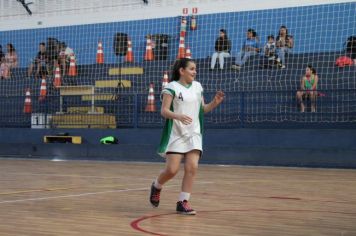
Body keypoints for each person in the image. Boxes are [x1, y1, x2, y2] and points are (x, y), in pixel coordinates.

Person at [149, 58, 225, 215]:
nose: (194, 71)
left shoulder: (197, 87)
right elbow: (164, 111)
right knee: (171, 170)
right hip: (176, 133)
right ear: (181, 71)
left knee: (192, 168)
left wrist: (214, 103)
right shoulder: (171, 87)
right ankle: (157, 186)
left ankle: (183, 202)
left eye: (195, 69)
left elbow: (202, 109)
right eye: (191, 69)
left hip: (194, 133)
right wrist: (178, 116)